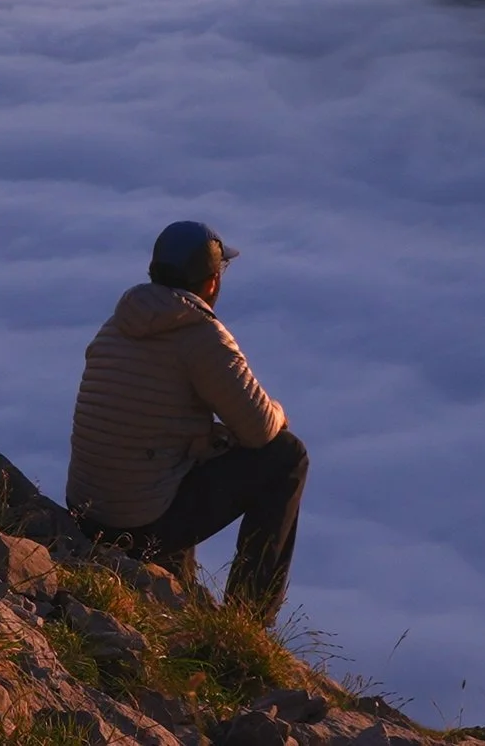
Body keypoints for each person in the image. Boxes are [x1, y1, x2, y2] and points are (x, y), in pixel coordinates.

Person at [66, 220, 308, 621]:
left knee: (195, 448)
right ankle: (247, 621)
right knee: (286, 457)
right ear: (211, 282)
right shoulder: (201, 336)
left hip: (85, 512)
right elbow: (260, 429)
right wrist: (279, 411)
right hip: (137, 523)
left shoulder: (121, 321)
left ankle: (176, 578)